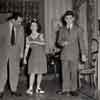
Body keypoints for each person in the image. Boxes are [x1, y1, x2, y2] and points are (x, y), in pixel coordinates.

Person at [57, 10, 87, 96]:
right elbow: (58, 41)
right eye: (67, 18)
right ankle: (65, 89)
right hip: (64, 54)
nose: (68, 19)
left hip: (74, 54)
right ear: (65, 19)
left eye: (70, 18)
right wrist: (62, 43)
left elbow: (81, 42)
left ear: (73, 19)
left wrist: (83, 54)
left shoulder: (78, 29)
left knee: (74, 72)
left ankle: (73, 89)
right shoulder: (61, 29)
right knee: (64, 72)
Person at [0, 12, 24, 98]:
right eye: (19, 21)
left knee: (15, 71)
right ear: (13, 20)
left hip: (15, 52)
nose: (20, 23)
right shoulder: (2, 26)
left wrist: (21, 53)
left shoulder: (20, 28)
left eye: (21, 21)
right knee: (2, 71)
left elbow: (22, 41)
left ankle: (14, 90)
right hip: (3, 52)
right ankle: (0, 90)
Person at [24, 19, 47, 95]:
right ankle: (30, 88)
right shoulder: (28, 37)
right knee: (32, 73)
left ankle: (38, 88)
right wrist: (24, 58)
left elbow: (43, 43)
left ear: (37, 27)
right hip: (32, 56)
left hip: (41, 56)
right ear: (30, 27)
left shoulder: (41, 35)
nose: (33, 27)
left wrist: (34, 42)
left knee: (40, 73)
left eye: (35, 25)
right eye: (32, 25)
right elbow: (27, 48)